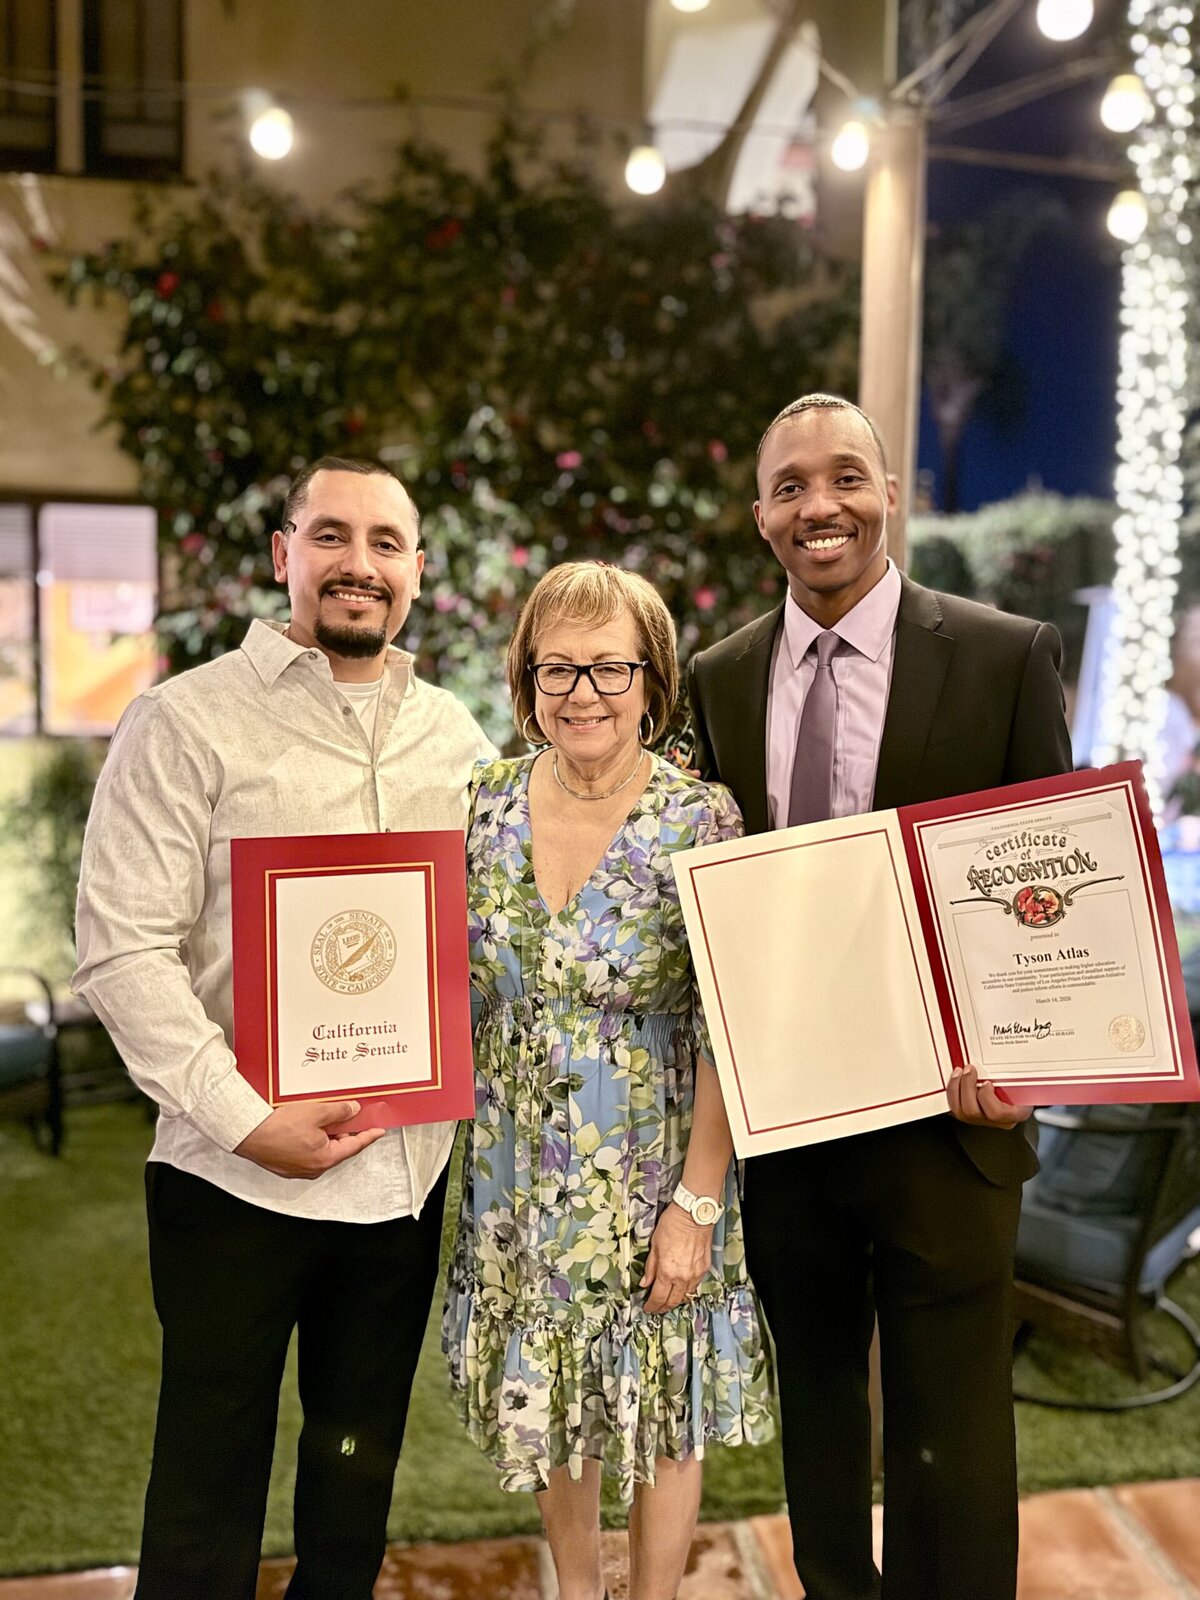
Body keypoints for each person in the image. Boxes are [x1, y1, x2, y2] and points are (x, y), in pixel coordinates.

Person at [74, 456, 494, 1600]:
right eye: (332, 536)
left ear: (417, 571)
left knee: (353, 1485)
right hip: (234, 1183)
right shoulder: (186, 719)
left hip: (398, 1184)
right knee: (208, 1482)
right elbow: (119, 949)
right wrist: (248, 1119)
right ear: (285, 556)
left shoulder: (457, 740)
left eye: (385, 543)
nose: (359, 564)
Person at [686, 394, 1073, 1600]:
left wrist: (1028, 1059)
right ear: (761, 515)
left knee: (953, 1437)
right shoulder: (720, 679)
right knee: (818, 1410)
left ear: (890, 492)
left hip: (949, 1122)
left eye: (846, 476)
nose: (822, 505)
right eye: (791, 484)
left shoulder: (1006, 654)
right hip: (791, 1127)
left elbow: (1048, 881)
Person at [443, 562, 773, 1600]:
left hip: (652, 1175)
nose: (582, 693)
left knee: (664, 1403)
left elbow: (731, 1026)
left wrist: (698, 1201)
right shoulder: (483, 808)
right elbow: (447, 979)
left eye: (608, 667)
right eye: (558, 668)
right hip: (513, 1181)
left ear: (652, 677)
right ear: (527, 678)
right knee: (557, 1393)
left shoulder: (700, 819)